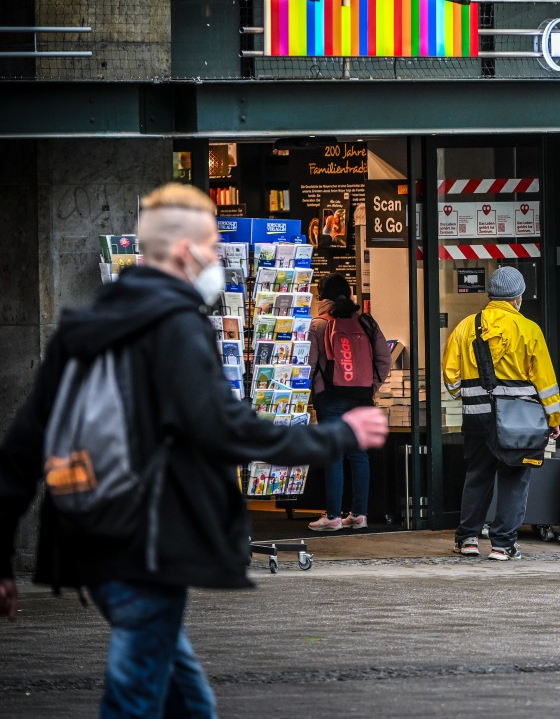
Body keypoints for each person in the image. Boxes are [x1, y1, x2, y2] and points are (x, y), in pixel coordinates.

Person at [0, 183, 388, 716]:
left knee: (188, 698)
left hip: (91, 534)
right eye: (211, 248)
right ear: (184, 251)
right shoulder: (176, 327)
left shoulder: (83, 328)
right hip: (147, 540)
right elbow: (227, 430)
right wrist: (340, 435)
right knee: (134, 697)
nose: (216, 261)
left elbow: (22, 450)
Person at [442, 266, 560, 561]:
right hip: (517, 422)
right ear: (517, 298)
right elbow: (545, 382)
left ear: (491, 295)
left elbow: (451, 378)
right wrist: (554, 419)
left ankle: (468, 538)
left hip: (476, 418)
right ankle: (502, 545)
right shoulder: (529, 330)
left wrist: (464, 393)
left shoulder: (466, 327)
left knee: (477, 476)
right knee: (513, 478)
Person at [307, 273, 391, 532]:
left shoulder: (318, 325)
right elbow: (384, 360)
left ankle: (333, 516)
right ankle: (359, 514)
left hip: (330, 397)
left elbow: (309, 364)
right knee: (358, 454)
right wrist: (369, 386)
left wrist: (314, 391)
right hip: (362, 396)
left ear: (322, 296)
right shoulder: (366, 322)